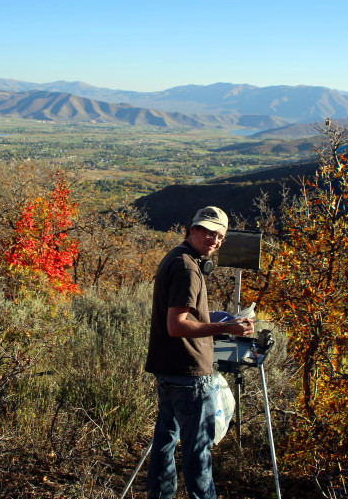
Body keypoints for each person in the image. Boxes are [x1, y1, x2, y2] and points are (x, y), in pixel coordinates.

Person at [145, 206, 255, 499]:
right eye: (208, 232)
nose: (214, 241)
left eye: (220, 237)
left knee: (165, 442)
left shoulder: (177, 256)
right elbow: (177, 326)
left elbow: (181, 315)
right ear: (192, 229)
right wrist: (229, 330)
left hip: (168, 369)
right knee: (198, 452)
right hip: (189, 373)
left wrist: (214, 318)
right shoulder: (188, 268)